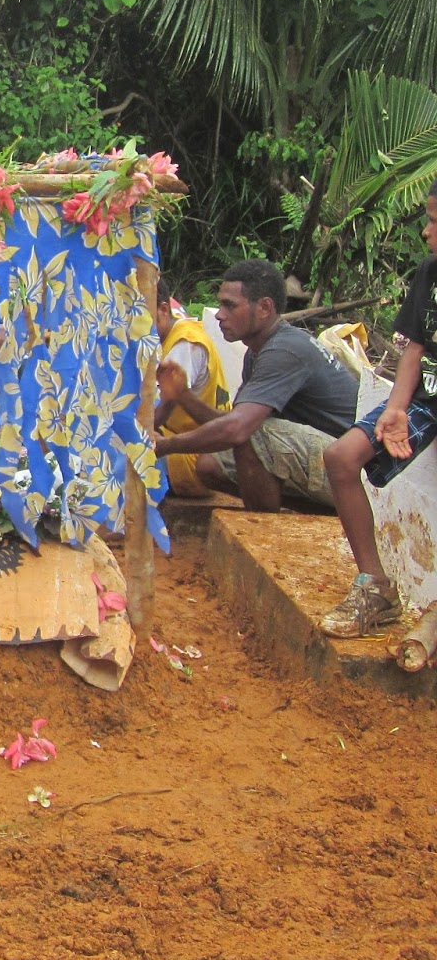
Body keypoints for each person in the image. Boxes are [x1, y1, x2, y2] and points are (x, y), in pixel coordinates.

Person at [317, 184, 437, 636]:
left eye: (434, 221)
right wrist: (397, 409)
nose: (426, 231)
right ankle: (376, 587)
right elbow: (413, 348)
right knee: (341, 457)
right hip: (426, 397)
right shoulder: (430, 273)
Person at [153, 258, 357, 512]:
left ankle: (266, 522)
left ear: (264, 307)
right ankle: (302, 514)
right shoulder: (258, 351)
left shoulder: (284, 351)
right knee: (209, 466)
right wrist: (183, 395)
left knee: (252, 431)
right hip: (323, 460)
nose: (219, 314)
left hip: (352, 468)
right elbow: (229, 421)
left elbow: (238, 429)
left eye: (229, 306)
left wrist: (166, 446)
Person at [153, 282, 230, 497]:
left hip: (193, 457)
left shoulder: (185, 343)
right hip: (186, 444)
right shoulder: (171, 336)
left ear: (164, 309)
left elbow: (164, 407)